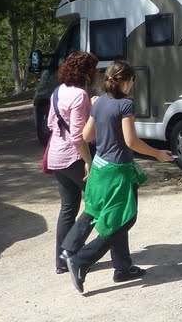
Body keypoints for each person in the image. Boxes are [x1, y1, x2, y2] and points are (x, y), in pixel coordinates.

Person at [63, 60, 173, 293]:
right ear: (126, 80)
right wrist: (158, 154)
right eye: (133, 80)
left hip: (100, 168)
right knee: (124, 220)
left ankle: (123, 268)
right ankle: (81, 260)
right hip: (117, 171)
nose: (133, 85)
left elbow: (86, 134)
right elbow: (131, 141)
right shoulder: (125, 105)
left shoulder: (100, 102)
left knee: (113, 217)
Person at [46, 51, 98, 274]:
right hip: (74, 158)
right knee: (100, 202)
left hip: (56, 157)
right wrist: (89, 161)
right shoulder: (80, 95)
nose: (96, 73)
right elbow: (79, 136)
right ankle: (73, 251)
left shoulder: (58, 92)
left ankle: (61, 261)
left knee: (68, 208)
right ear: (86, 72)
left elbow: (50, 123)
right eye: (93, 69)